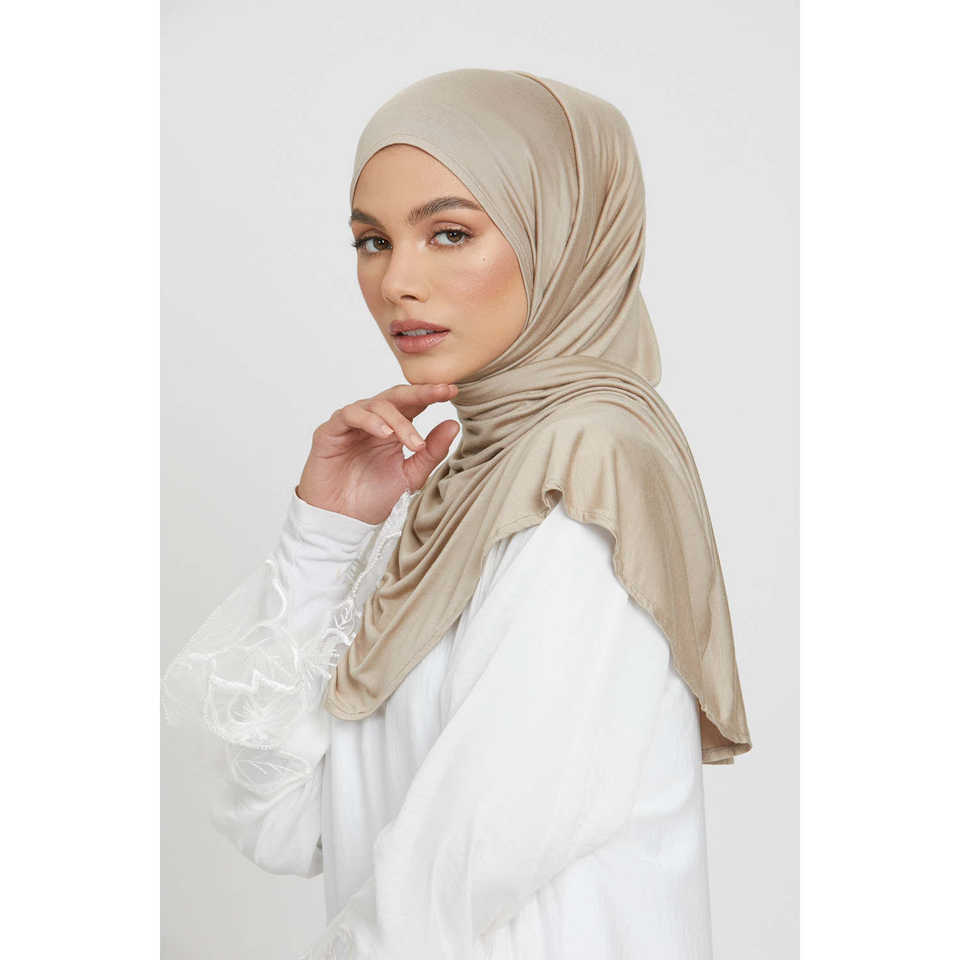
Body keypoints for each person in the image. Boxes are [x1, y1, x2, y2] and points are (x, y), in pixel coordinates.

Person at [161, 68, 752, 959]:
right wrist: (325, 537)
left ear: (563, 234)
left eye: (450, 233)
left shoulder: (590, 468)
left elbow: (467, 860)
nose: (398, 281)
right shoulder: (461, 483)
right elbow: (282, 824)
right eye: (372, 241)